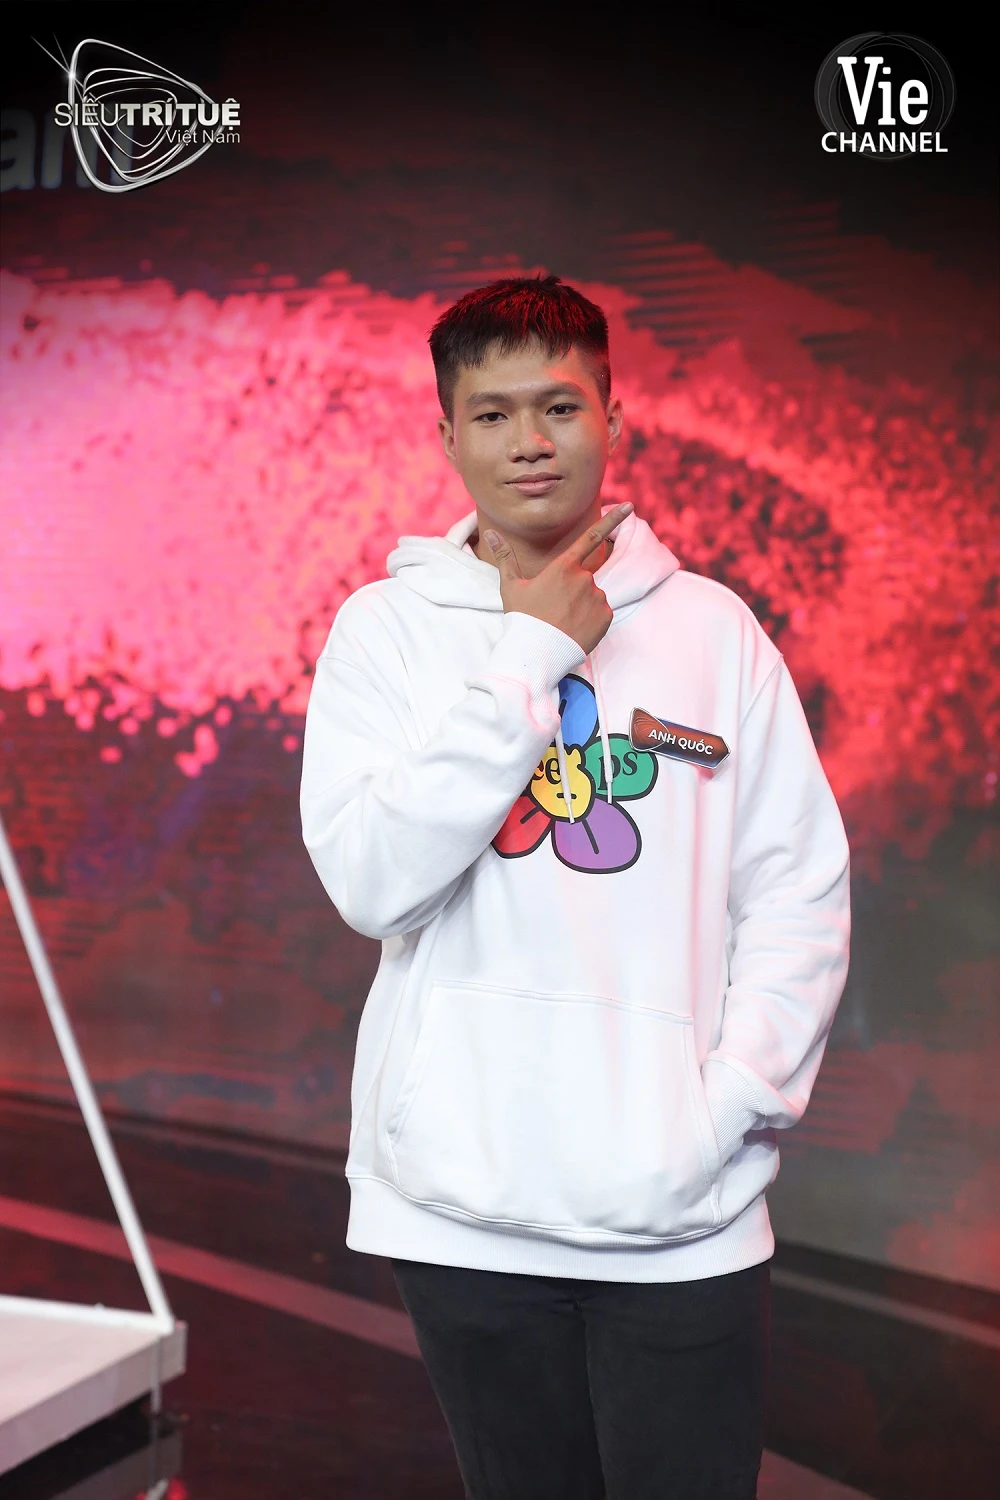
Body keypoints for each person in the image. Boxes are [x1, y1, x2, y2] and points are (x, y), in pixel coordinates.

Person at [300, 274, 851, 1499]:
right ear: (446, 437)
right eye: (491, 415)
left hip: (681, 1212)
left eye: (558, 407)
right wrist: (531, 657)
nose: (529, 442)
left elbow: (797, 894)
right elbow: (373, 883)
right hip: (456, 1203)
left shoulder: (714, 632)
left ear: (613, 418)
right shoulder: (384, 631)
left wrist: (725, 1109)